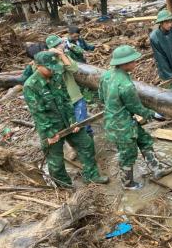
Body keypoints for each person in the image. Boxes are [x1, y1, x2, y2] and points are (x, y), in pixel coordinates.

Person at [23, 51, 108, 188]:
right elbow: (38, 113)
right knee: (55, 161)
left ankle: (91, 176)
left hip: (67, 122)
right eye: (48, 67)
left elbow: (67, 100)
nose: (52, 70)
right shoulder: (31, 85)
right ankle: (64, 187)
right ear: (38, 66)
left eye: (53, 67)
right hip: (50, 127)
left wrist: (73, 120)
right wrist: (50, 133)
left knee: (86, 144)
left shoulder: (56, 76)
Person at [99, 45, 172, 190]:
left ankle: (157, 168)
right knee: (128, 154)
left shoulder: (106, 75)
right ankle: (127, 184)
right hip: (122, 124)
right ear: (125, 64)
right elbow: (135, 107)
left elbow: (101, 97)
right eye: (133, 61)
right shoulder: (126, 85)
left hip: (114, 118)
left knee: (144, 140)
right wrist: (153, 114)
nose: (136, 63)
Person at [45, 34, 93, 136]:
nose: (61, 46)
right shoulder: (46, 61)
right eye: (58, 45)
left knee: (84, 126)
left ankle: (90, 144)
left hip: (75, 97)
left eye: (61, 44)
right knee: (72, 129)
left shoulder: (65, 56)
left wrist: (62, 55)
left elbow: (73, 69)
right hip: (62, 101)